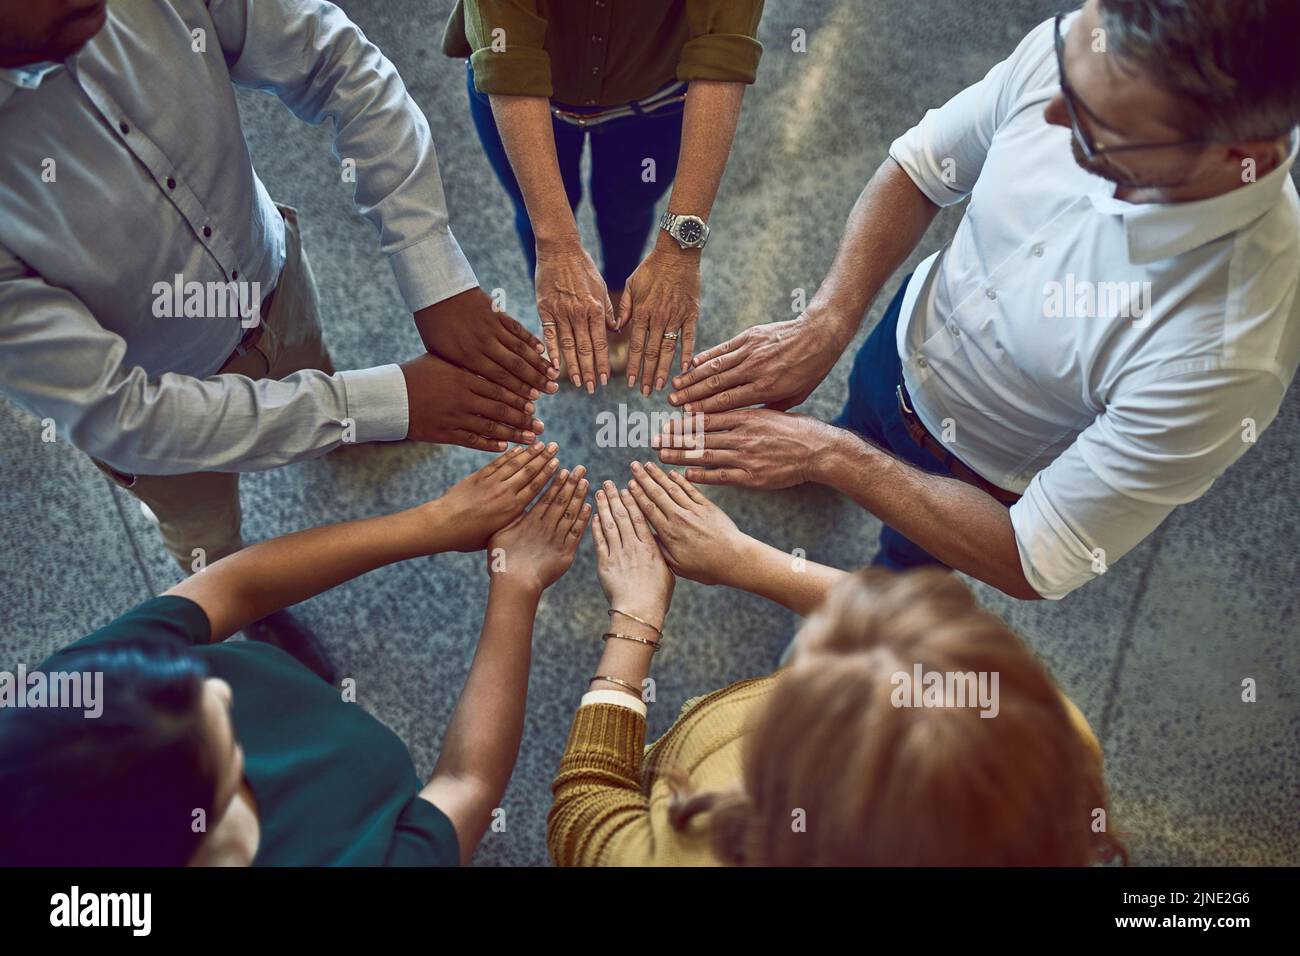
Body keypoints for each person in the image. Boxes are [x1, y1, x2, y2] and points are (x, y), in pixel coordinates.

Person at [655, 0, 1300, 601]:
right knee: (856, 418)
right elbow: (921, 167)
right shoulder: (1085, 56)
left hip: (973, 478)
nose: (1051, 113)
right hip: (901, 337)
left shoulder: (1230, 351)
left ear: (1239, 155)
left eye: (1098, 130)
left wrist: (827, 454)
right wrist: (830, 319)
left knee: (907, 566)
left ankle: (868, 612)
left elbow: (1033, 557)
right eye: (1068, 72)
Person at [0, 0, 561, 583]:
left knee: (319, 372)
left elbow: (336, 60)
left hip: (276, 278)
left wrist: (433, 274)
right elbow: (123, 417)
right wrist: (383, 404)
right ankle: (244, 620)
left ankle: (340, 442)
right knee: (207, 545)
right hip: (163, 400)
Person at [0, 442, 593, 866]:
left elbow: (234, 587)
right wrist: (516, 586)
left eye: (191, 681)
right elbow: (465, 783)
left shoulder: (67, 713)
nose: (218, 686)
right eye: (221, 744)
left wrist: (434, 521)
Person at [547, 461, 1123, 866]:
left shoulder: (698, 852)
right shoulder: (1042, 740)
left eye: (807, 691)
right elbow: (913, 634)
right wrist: (745, 560)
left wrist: (635, 619)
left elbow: (588, 807)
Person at [442, 0, 764, 393]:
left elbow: (724, 47)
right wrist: (558, 248)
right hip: (524, 91)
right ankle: (570, 317)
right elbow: (508, 57)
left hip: (655, 97)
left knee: (628, 208)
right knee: (538, 217)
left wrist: (679, 251)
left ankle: (614, 303)